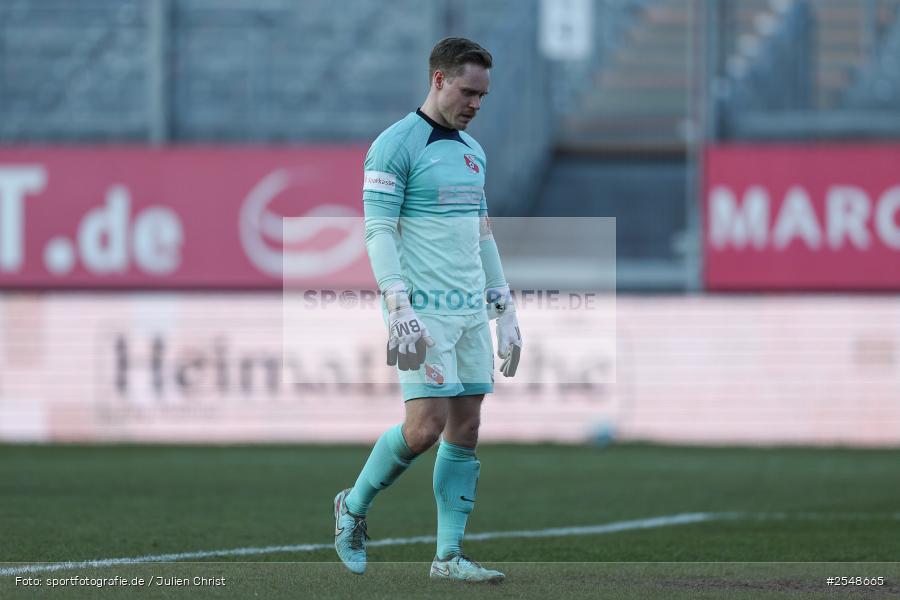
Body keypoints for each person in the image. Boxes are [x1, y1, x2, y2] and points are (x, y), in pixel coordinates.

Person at [333, 37, 522, 583]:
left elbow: (481, 233)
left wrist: (503, 303)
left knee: (466, 427)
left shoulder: (473, 151)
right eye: (468, 92)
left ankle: (448, 557)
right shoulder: (394, 146)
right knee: (425, 427)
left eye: (483, 96)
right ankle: (352, 506)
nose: (476, 104)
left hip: (468, 308)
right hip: (420, 308)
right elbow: (378, 230)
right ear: (439, 80)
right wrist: (397, 303)